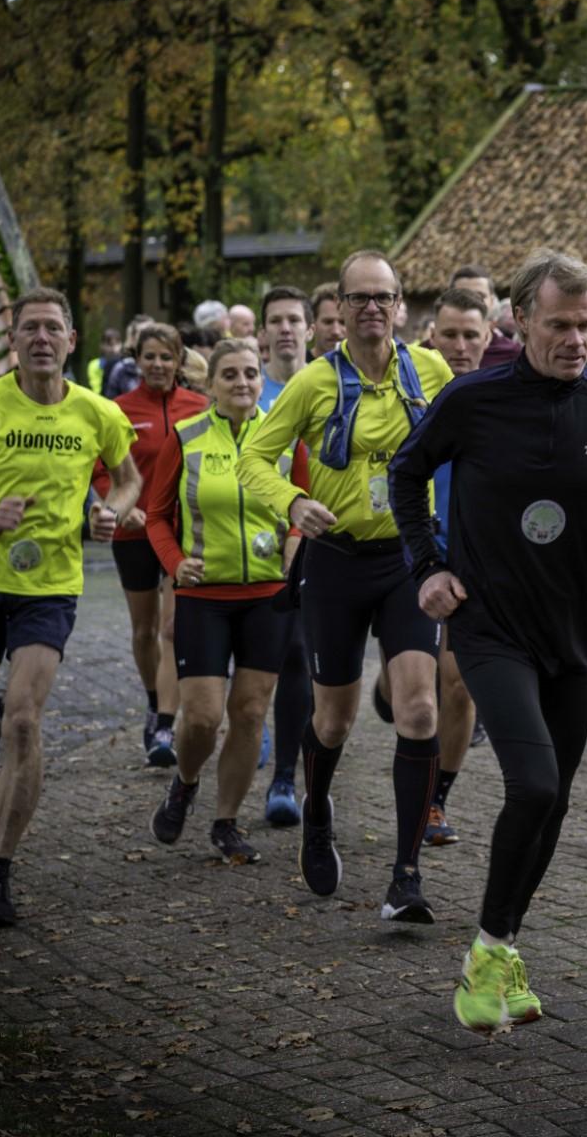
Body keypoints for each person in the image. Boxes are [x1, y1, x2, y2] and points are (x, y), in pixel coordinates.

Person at [387, 248, 587, 1031]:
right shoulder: (473, 399)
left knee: (556, 799)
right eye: (559, 324)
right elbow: (406, 471)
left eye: (586, 324)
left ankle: (495, 948)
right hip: (489, 625)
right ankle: (489, 953)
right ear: (520, 320)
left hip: (569, 633)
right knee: (532, 785)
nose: (575, 339)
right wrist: (427, 564)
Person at [0, 288, 140, 927]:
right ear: (13, 342)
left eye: (53, 329)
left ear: (71, 341)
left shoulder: (98, 414)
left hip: (50, 588)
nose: (42, 338)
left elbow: (127, 480)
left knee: (26, 725)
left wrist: (111, 513)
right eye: (29, 328)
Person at [239, 251, 453, 924]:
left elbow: (470, 443)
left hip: (406, 559)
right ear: (341, 308)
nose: (370, 309)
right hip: (334, 560)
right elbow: (251, 457)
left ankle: (406, 874)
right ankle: (316, 815)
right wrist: (292, 501)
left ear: (401, 307)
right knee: (333, 719)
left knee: (420, 710)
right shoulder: (313, 383)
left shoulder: (433, 372)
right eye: (357, 298)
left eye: (381, 297)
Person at [145, 338, 304, 863]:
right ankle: (186, 783)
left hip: (267, 597)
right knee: (203, 718)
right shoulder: (185, 437)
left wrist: (293, 548)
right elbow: (156, 516)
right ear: (210, 384)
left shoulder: (284, 438)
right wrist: (174, 565)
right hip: (204, 597)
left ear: (262, 381)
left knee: (252, 711)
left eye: (251, 374)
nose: (242, 383)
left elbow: (302, 508)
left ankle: (226, 823)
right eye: (230, 374)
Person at [98, 323, 207, 766]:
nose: (158, 365)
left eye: (167, 357)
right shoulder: (118, 411)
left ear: (179, 361)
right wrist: (121, 506)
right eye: (150, 357)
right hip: (133, 533)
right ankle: (152, 700)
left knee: (172, 628)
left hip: (183, 534)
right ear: (136, 361)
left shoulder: (199, 406)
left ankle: (166, 721)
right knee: (144, 631)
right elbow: (101, 468)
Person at [421, 286, 495, 846]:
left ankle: (437, 799)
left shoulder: (500, 397)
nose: (460, 345)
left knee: (460, 685)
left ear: (490, 337)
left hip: (472, 559)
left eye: (472, 335)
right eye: (450, 334)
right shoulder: (410, 394)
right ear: (431, 336)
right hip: (412, 554)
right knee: (419, 689)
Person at [254, 286, 314, 827]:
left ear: (311, 329)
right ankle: (255, 724)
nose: (286, 329)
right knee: (254, 658)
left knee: (299, 654)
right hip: (245, 549)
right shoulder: (247, 390)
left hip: (308, 540)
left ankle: (285, 778)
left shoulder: (329, 386)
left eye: (296, 319)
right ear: (262, 332)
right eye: (276, 320)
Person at [448, 265, 523, 367]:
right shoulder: (430, 353)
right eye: (463, 295)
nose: (472, 301)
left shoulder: (513, 355)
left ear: (492, 301)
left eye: (480, 296)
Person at [309, 283, 346, 357]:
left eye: (343, 322)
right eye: (328, 322)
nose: (336, 332)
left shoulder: (365, 367)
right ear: (313, 323)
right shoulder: (298, 366)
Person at [86, 327, 122, 395]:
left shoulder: (124, 365)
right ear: (101, 345)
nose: (114, 349)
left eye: (117, 344)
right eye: (110, 344)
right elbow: (96, 390)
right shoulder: (94, 365)